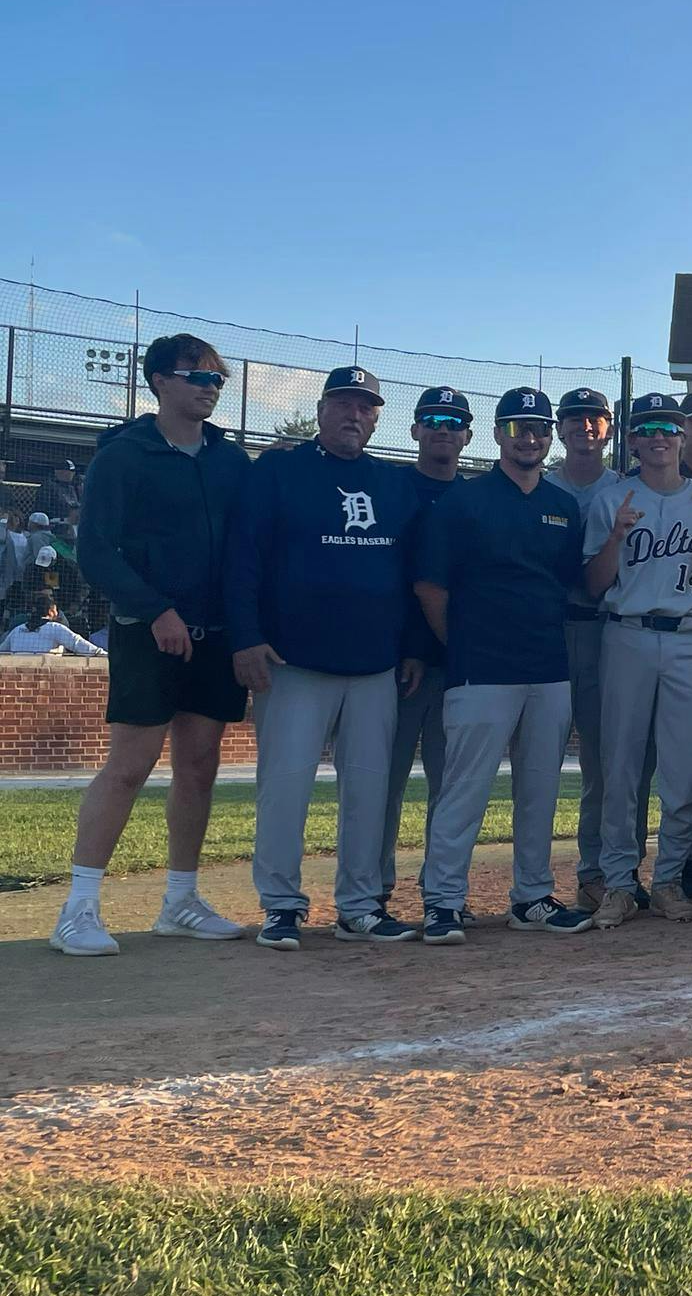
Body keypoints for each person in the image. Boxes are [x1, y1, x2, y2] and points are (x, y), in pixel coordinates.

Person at [51, 334, 250, 957]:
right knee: (130, 767)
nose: (209, 388)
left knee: (199, 766)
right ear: (160, 381)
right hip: (148, 634)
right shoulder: (124, 455)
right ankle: (78, 909)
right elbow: (95, 553)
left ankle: (180, 901)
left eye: (217, 380)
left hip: (214, 638)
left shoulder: (230, 459)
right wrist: (156, 609)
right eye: (197, 377)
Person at [225, 365, 424, 950]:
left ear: (376, 416)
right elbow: (243, 559)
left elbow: (412, 575)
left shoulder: (393, 484)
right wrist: (245, 636)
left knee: (367, 791)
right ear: (321, 409)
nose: (353, 415)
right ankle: (281, 906)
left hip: (374, 667)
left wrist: (412, 647)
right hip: (293, 664)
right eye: (343, 403)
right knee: (284, 787)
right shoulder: (279, 472)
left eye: (365, 407)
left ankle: (359, 906)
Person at [414, 387, 593, 945]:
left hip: (547, 667)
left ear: (550, 436)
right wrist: (463, 644)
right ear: (496, 434)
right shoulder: (465, 501)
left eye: (539, 428)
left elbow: (569, 585)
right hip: (481, 669)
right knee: (464, 790)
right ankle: (443, 901)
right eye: (519, 428)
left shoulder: (564, 506)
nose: (531, 437)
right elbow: (429, 585)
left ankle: (532, 896)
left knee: (540, 790)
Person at [582, 402, 692, 929]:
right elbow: (594, 586)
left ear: (682, 437)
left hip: (687, 638)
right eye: (647, 430)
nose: (659, 436)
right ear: (632, 441)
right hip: (626, 635)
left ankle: (666, 881)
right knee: (620, 767)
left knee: (684, 772)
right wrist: (616, 535)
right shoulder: (611, 499)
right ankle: (618, 882)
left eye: (668, 428)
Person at [378, 386, 473, 915]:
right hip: (397, 661)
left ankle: (441, 893)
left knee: (451, 785)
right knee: (384, 782)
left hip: (456, 662)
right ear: (414, 429)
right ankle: (374, 889)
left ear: (467, 435)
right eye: (433, 418)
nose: (443, 427)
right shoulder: (391, 487)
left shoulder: (474, 496)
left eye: (454, 420)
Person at [543, 387, 621, 910]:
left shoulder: (626, 488)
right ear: (560, 429)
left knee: (601, 761)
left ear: (608, 428)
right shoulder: (538, 486)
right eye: (574, 419)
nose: (585, 427)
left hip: (604, 629)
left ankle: (594, 871)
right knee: (536, 761)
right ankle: (532, 880)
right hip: (545, 629)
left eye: (594, 419)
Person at [3, 590, 103, 654]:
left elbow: (2, 651)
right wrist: (101, 654)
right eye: (55, 610)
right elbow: (77, 643)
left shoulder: (17, 630)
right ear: (51, 612)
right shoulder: (55, 628)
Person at [33, 460, 82, 542]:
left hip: (71, 531)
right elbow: (42, 510)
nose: (72, 474)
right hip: (53, 531)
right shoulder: (48, 487)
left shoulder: (72, 488)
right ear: (60, 471)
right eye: (70, 471)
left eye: (73, 471)